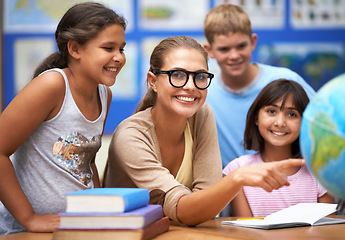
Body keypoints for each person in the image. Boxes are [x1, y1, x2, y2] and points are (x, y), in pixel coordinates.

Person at [104, 36, 305, 226]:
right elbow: (184, 210)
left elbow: (205, 202)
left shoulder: (201, 113)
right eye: (178, 75)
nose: (191, 86)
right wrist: (237, 178)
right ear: (153, 81)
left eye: (200, 76)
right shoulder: (130, 135)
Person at [0, 2, 127, 235]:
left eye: (122, 48)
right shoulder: (52, 85)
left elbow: (86, 162)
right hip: (26, 231)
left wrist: (98, 210)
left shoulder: (104, 94)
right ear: (75, 49)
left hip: (75, 226)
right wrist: (29, 218)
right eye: (108, 48)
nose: (118, 57)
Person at [203, 4, 316, 169]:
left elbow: (323, 124)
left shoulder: (287, 80)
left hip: (287, 183)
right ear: (210, 51)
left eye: (241, 46)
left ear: (253, 42)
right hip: (232, 189)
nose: (234, 55)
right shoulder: (204, 92)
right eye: (224, 49)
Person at [223, 79, 334, 217]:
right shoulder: (238, 170)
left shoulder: (319, 172)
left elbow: (327, 232)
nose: (280, 123)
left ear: (304, 122)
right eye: (271, 111)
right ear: (256, 118)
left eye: (292, 114)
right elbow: (244, 231)